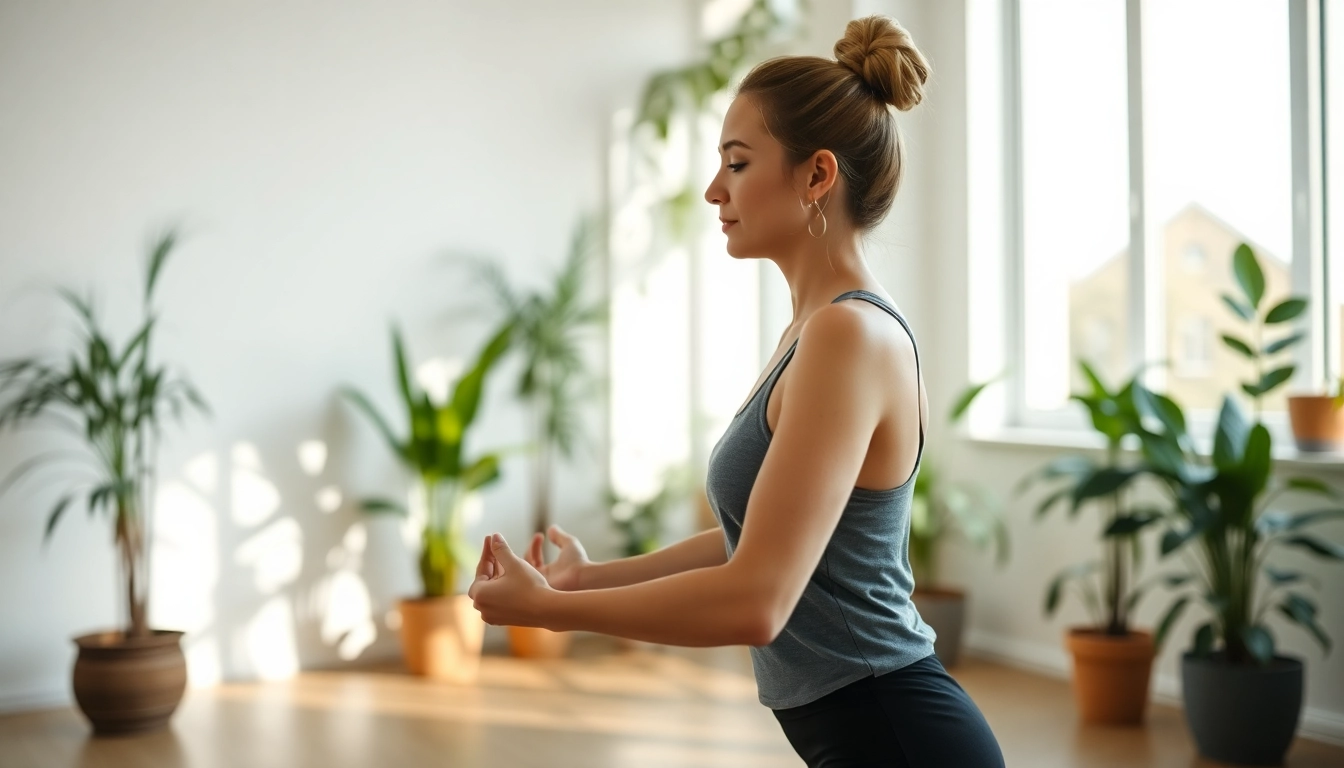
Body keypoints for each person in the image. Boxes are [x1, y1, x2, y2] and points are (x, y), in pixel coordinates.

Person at [469, 14, 1006, 767]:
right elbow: (754, 536)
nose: (713, 188)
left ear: (817, 175)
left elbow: (758, 600)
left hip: (897, 736)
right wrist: (591, 575)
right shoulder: (812, 332)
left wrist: (555, 610)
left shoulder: (846, 337)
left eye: (739, 162)